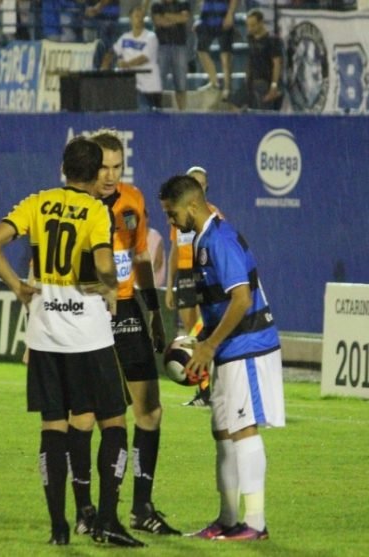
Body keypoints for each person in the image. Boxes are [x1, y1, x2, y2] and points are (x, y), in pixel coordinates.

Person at [0, 136, 144, 547]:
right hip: (88, 335)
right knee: (115, 424)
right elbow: (105, 267)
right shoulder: (94, 210)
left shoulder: (37, 202)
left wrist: (18, 285)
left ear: (65, 168)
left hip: (45, 334)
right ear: (93, 173)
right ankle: (106, 520)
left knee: (53, 429)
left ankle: (59, 529)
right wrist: (105, 284)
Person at [159, 174, 285, 541]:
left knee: (244, 429)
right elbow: (216, 304)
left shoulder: (221, 239)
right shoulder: (201, 240)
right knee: (223, 432)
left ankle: (256, 523)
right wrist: (198, 340)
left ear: (193, 206)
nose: (170, 221)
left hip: (247, 346)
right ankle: (228, 520)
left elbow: (242, 299)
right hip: (226, 349)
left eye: (172, 213)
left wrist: (209, 345)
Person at [87, 129, 180, 536]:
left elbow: (140, 256)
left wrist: (154, 312)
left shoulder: (134, 200)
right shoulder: (77, 203)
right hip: (87, 311)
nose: (109, 175)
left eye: (116, 166)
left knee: (150, 411)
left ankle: (141, 508)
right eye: (102, 167)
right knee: (91, 417)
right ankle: (89, 510)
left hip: (126, 309)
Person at [165, 166, 220, 407]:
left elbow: (219, 250)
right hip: (185, 278)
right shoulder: (178, 215)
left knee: (203, 335)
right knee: (190, 339)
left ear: (205, 187)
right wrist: (169, 286)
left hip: (203, 276)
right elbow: (175, 252)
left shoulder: (213, 214)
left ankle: (211, 391)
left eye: (201, 182)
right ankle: (202, 390)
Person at [107, 4, 162, 111]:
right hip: (132, 85)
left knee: (150, 116)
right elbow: (112, 52)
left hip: (150, 86)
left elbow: (144, 58)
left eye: (142, 17)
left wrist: (126, 64)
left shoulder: (151, 37)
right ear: (130, 19)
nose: (140, 19)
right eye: (137, 16)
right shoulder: (124, 38)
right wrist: (105, 64)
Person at [227, 8, 282, 111]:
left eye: (253, 25)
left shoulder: (272, 40)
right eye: (248, 25)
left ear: (261, 23)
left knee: (262, 112)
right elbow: (250, 58)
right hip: (251, 81)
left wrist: (274, 86)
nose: (249, 28)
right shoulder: (250, 38)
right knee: (234, 104)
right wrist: (246, 76)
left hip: (264, 82)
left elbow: (277, 64)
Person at [151, 0, 191, 110]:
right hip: (162, 47)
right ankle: (158, 111)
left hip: (180, 47)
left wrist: (167, 16)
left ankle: (183, 113)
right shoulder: (156, 5)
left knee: (181, 84)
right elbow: (159, 22)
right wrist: (176, 18)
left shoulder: (184, 4)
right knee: (159, 83)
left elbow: (184, 18)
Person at [195, 0, 238, 100]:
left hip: (223, 15)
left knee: (225, 56)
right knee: (201, 49)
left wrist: (230, 14)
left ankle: (227, 88)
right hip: (207, 17)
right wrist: (199, 19)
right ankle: (214, 82)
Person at [86, 0, 121, 69]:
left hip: (111, 19)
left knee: (106, 29)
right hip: (94, 21)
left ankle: (106, 64)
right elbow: (87, 10)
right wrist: (89, 11)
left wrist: (98, 7)